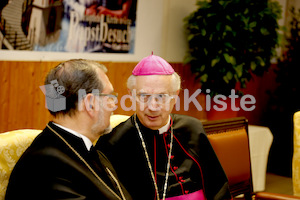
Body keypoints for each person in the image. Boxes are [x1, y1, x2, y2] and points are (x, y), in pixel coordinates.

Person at [95, 54, 232, 200]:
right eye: (144, 96)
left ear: (175, 96)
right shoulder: (112, 143)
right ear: (131, 95)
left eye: (162, 96)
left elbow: (218, 186)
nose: (153, 107)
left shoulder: (193, 128)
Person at [5, 59, 132, 200]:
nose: (113, 105)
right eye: (109, 97)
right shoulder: (45, 168)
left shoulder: (81, 147)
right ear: (90, 104)